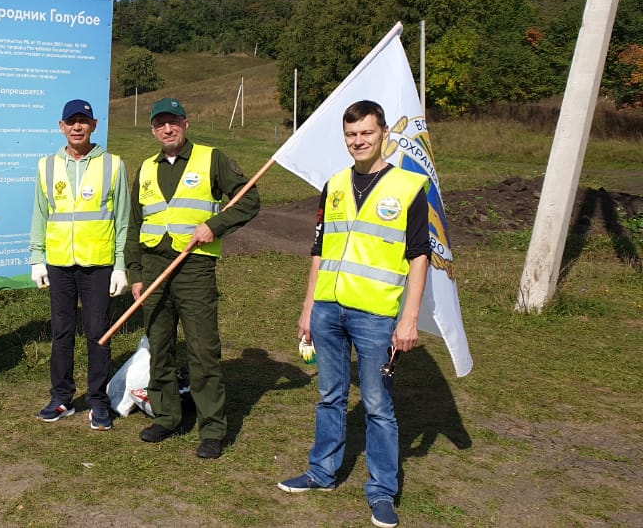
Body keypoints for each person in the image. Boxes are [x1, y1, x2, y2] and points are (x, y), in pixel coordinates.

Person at [277, 100, 430, 528]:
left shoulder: (408, 187)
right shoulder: (335, 184)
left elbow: (419, 257)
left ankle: (382, 492)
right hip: (328, 310)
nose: (358, 141)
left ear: (383, 133)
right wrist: (308, 307)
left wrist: (410, 317)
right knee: (330, 395)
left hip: (376, 315)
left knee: (378, 405)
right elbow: (319, 250)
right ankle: (322, 473)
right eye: (351, 135)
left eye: (365, 132)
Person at [125, 97, 259, 459]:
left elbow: (248, 200)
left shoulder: (211, 159)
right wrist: (134, 273)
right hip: (153, 268)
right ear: (153, 129)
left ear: (186, 123)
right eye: (159, 124)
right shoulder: (147, 168)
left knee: (203, 350)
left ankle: (212, 428)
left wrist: (214, 226)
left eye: (173, 122)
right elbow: (135, 225)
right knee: (159, 346)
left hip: (194, 268)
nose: (166, 129)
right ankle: (167, 416)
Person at [29, 99, 130, 431]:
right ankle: (62, 397)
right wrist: (37, 257)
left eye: (83, 121)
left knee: (99, 334)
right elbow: (40, 215)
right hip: (59, 263)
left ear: (94, 125)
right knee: (62, 332)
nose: (77, 127)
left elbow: (123, 221)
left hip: (98, 263)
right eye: (70, 121)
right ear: (61, 127)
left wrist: (120, 266)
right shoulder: (46, 165)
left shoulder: (114, 165)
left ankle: (98, 402)